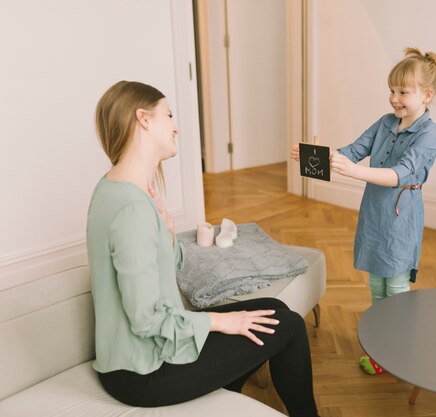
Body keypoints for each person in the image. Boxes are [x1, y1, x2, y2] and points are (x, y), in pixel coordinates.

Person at [87, 80, 319, 416]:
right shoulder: (132, 208)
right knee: (290, 327)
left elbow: (161, 267)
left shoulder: (113, 188)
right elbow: (146, 320)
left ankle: (219, 393)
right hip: (144, 371)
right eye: (168, 115)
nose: (175, 126)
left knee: (271, 309)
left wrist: (166, 234)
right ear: (144, 119)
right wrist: (220, 322)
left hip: (141, 356)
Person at [290, 47, 436, 375]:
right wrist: (319, 155)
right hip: (374, 213)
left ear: (427, 95)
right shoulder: (385, 123)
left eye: (403, 91)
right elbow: (354, 150)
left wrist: (353, 171)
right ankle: (382, 351)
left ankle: (400, 352)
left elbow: (399, 173)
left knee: (397, 288)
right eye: (392, 90)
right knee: (377, 288)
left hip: (400, 216)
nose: (394, 98)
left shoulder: (430, 134)